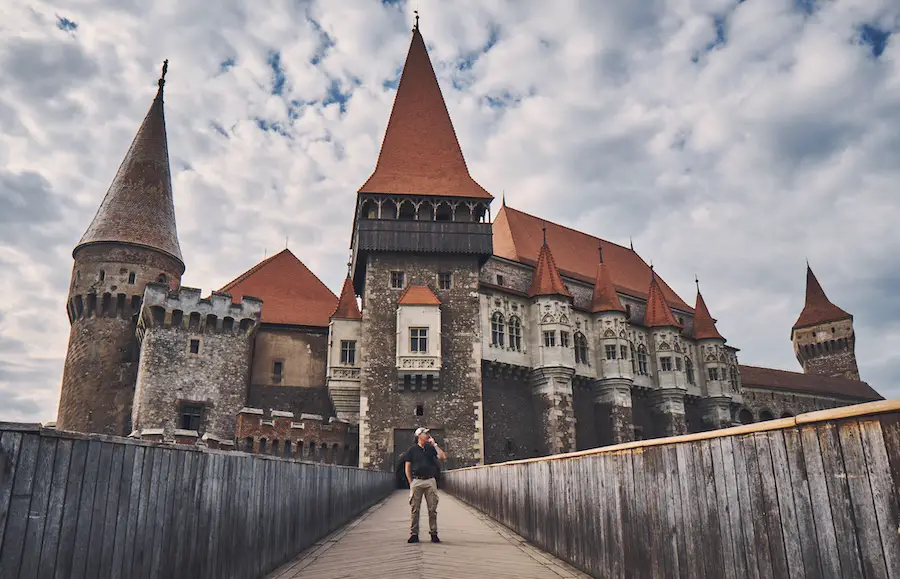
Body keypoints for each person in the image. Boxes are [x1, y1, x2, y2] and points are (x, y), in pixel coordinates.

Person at [404, 427, 446, 544]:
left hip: (430, 481)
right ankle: (414, 534)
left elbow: (442, 457)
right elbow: (407, 466)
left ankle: (434, 533)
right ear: (419, 436)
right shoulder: (412, 450)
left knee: (432, 509)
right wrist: (410, 482)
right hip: (417, 481)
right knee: (415, 509)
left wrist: (435, 444)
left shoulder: (431, 448)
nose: (428, 435)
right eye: (425, 433)